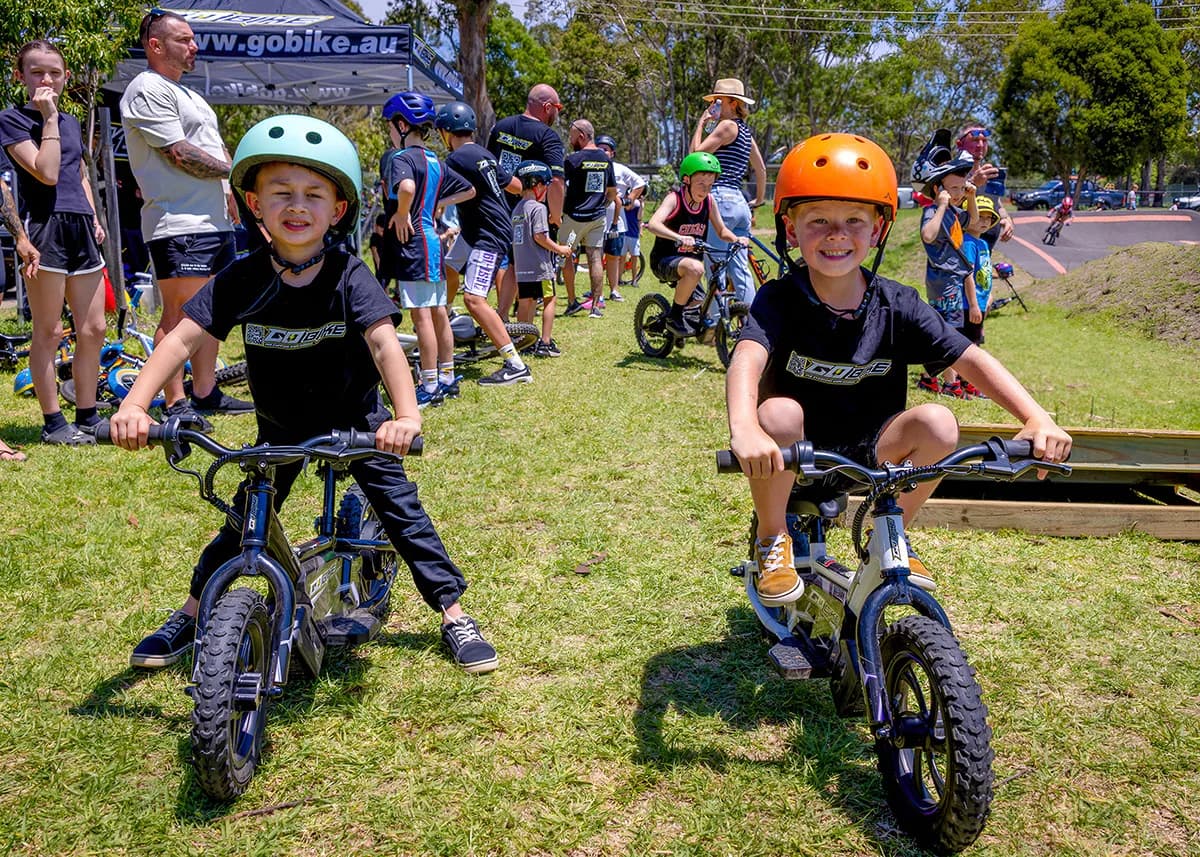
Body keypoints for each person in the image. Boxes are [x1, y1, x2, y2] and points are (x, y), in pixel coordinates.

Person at [109, 115, 498, 675]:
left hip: (357, 421)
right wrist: (134, 405)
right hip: (282, 425)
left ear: (337, 212)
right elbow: (182, 339)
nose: (297, 205)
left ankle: (453, 612)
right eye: (281, 193)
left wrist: (406, 417)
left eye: (314, 194)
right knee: (246, 520)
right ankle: (194, 613)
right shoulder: (241, 277)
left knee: (402, 513)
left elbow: (386, 345)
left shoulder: (348, 273)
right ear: (254, 203)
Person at [726, 133, 1072, 606]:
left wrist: (1036, 416)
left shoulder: (898, 303)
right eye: (818, 220)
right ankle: (772, 536)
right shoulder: (780, 298)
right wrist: (744, 427)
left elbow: (968, 358)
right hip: (792, 455)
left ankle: (888, 534)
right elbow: (747, 358)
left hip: (874, 454)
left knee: (938, 420)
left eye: (854, 220)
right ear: (791, 229)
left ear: (878, 230)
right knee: (780, 413)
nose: (837, 234)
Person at [119, 10, 251, 424]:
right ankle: (177, 404)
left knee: (211, 311)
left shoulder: (190, 95)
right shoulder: (147, 87)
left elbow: (211, 148)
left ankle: (206, 393)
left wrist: (230, 191)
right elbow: (179, 154)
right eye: (184, 39)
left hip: (213, 222)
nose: (194, 46)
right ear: (155, 45)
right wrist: (239, 172)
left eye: (193, 39)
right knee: (181, 316)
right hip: (177, 223)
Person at [0, 40, 108, 446]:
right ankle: (53, 422)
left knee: (94, 327)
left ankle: (88, 413)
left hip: (80, 226)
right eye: (37, 72)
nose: (47, 80)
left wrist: (94, 217)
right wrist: (47, 118)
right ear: (20, 76)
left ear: (65, 76)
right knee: (48, 331)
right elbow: (46, 172)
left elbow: (77, 170)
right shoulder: (12, 120)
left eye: (55, 73)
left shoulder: (71, 121)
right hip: (43, 227)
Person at [381, 92, 475, 407]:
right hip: (433, 242)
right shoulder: (435, 160)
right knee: (439, 313)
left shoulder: (401, 159)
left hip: (414, 246)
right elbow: (469, 190)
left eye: (391, 127)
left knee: (421, 317)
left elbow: (406, 188)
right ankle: (447, 378)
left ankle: (430, 384)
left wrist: (403, 212)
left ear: (403, 124)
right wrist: (434, 204)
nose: (390, 134)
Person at [435, 101, 532, 387]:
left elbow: (441, 191)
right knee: (450, 266)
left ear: (446, 132)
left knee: (475, 299)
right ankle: (449, 313)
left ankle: (515, 364)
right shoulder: (484, 155)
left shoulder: (454, 161)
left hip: (487, 233)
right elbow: (515, 185)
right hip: (477, 229)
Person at [646, 152, 746, 338]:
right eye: (701, 184)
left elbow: (722, 231)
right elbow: (653, 224)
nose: (705, 190)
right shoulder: (674, 199)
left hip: (690, 264)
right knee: (696, 268)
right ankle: (674, 317)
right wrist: (678, 237)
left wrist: (738, 239)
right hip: (664, 260)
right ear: (687, 179)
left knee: (697, 302)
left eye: (710, 185)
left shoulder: (709, 201)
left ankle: (679, 322)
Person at [487, 84, 566, 321]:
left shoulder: (500, 127)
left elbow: (489, 165)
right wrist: (555, 215)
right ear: (548, 107)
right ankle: (526, 327)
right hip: (530, 212)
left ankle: (502, 315)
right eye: (557, 108)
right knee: (533, 269)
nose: (557, 114)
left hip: (499, 208)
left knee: (510, 263)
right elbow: (557, 181)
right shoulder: (547, 136)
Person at [912, 132, 979, 398]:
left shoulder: (953, 212)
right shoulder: (934, 212)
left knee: (945, 330)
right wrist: (940, 206)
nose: (959, 193)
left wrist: (971, 196)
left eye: (961, 188)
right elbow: (928, 236)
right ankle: (950, 383)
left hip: (954, 279)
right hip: (944, 281)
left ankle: (930, 377)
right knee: (950, 332)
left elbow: (973, 223)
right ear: (938, 190)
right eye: (954, 189)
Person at [690, 78, 767, 304]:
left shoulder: (726, 126)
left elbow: (695, 157)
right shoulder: (745, 133)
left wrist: (702, 123)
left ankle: (715, 324)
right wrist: (758, 200)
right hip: (740, 202)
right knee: (740, 268)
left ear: (733, 103)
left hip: (720, 200)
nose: (713, 104)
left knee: (715, 263)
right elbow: (761, 169)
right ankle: (751, 322)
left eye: (718, 100)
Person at [559, 120, 620, 319]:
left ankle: (571, 301)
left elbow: (560, 187)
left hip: (574, 221)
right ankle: (595, 306)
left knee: (566, 254)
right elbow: (612, 192)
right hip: (596, 219)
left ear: (582, 136)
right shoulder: (605, 159)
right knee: (595, 258)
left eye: (572, 136)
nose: (571, 140)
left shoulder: (573, 159)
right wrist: (601, 206)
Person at [511, 160, 572, 357]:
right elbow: (540, 237)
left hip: (522, 267)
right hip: (540, 268)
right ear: (537, 185)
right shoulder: (538, 208)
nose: (546, 190)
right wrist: (560, 249)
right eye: (545, 186)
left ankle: (524, 341)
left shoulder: (517, 209)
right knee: (549, 299)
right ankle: (545, 342)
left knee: (525, 302)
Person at [595, 134, 646, 304]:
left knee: (614, 257)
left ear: (612, 153)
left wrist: (630, 198)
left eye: (606, 149)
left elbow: (639, 183)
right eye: (599, 149)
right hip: (595, 219)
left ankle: (614, 290)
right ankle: (597, 291)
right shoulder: (592, 166)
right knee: (596, 256)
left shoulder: (620, 169)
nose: (602, 152)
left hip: (618, 222)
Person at [957, 195, 999, 399]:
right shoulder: (968, 243)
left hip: (980, 302)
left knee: (975, 342)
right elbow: (967, 275)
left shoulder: (982, 243)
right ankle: (967, 381)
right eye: (979, 216)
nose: (983, 221)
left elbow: (985, 272)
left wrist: (988, 297)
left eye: (988, 218)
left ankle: (968, 381)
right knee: (969, 346)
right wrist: (973, 304)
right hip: (967, 304)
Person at [955, 124, 1014, 247]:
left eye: (984, 141)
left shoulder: (988, 173)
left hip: (985, 251)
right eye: (975, 140)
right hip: (960, 253)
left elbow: (996, 203)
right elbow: (946, 204)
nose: (981, 145)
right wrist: (973, 182)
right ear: (959, 144)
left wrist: (1006, 219)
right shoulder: (951, 173)